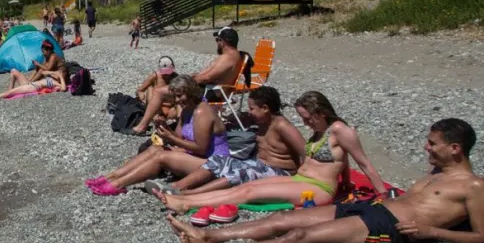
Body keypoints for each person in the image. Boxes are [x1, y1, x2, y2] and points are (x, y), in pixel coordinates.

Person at [167, 119, 484, 243]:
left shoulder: (475, 187)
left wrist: (431, 231)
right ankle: (211, 236)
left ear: (456, 148)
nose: (426, 148)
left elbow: (483, 237)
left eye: (433, 144)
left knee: (301, 238)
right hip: (373, 209)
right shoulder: (435, 173)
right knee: (285, 218)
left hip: (386, 229)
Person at [155, 90, 387, 212]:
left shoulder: (341, 130)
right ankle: (186, 195)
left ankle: (186, 203)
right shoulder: (320, 131)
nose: (305, 123)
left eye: (307, 118)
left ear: (321, 112)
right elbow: (342, 161)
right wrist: (346, 182)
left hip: (318, 189)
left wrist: (384, 196)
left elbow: (363, 163)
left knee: (250, 194)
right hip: (301, 179)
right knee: (248, 186)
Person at [86, 75, 229, 196]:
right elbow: (179, 138)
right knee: (155, 149)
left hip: (214, 162)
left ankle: (118, 184)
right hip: (197, 156)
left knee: (161, 157)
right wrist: (165, 128)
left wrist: (170, 138)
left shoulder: (201, 112)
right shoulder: (187, 109)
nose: (177, 100)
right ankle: (111, 177)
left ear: (191, 92)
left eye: (180, 96)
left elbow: (201, 148)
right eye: (175, 96)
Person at [155, 86, 305, 194]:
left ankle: (191, 194)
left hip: (281, 172)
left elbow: (305, 151)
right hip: (258, 165)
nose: (249, 112)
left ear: (265, 108)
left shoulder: (282, 126)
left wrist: (302, 180)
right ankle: (176, 186)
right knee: (218, 161)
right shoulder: (263, 123)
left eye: (252, 108)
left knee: (240, 171)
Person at [129, 27, 243, 135]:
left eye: (218, 40)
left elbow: (207, 78)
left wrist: (190, 80)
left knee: (159, 91)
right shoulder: (234, 56)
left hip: (211, 93)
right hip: (214, 90)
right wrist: (195, 77)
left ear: (224, 41)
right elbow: (207, 74)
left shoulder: (227, 57)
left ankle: (141, 127)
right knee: (169, 89)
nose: (217, 43)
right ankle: (177, 122)